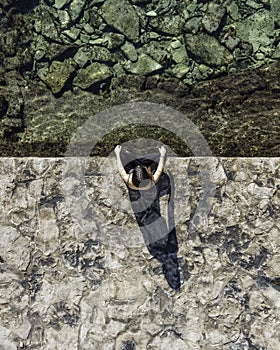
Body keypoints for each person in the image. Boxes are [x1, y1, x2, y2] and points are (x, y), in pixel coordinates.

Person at [114, 145, 181, 290]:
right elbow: (160, 167)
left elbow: (121, 169)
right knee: (156, 159)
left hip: (144, 212)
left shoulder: (130, 181)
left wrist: (117, 154)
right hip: (148, 212)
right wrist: (162, 153)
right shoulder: (153, 181)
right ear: (149, 175)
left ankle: (132, 157)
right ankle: (138, 159)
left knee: (125, 157)